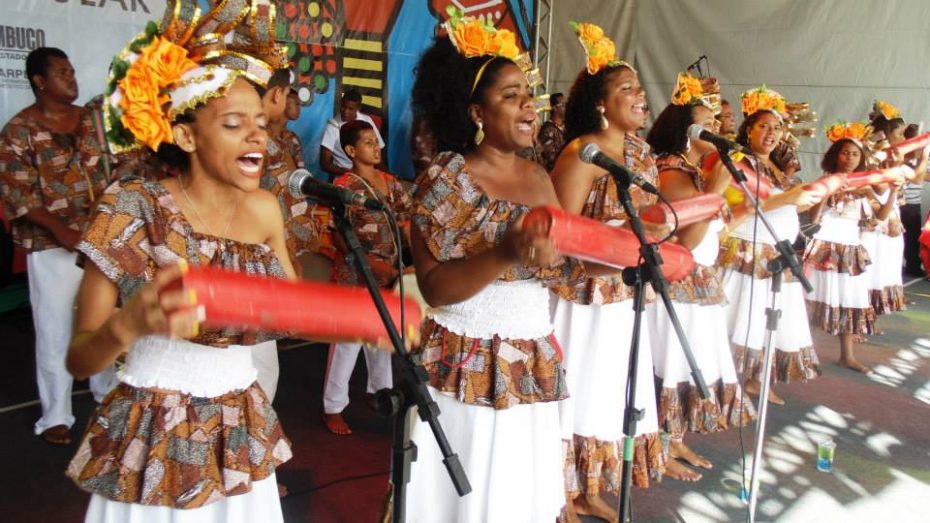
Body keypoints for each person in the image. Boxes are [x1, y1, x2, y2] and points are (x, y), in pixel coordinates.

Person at [64, 2, 294, 520]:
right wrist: (128, 324)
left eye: (260, 122)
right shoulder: (132, 207)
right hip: (153, 427)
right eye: (235, 124)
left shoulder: (264, 208)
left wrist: (365, 316)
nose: (258, 135)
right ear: (186, 136)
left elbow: (290, 313)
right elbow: (80, 359)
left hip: (240, 423)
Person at [403, 12, 586, 521]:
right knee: (466, 496)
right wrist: (505, 252)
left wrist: (622, 257)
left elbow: (560, 267)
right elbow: (436, 288)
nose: (529, 104)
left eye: (528, 93)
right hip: (470, 361)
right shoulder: (445, 178)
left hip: (532, 356)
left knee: (515, 494)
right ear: (476, 112)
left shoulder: (538, 176)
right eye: (510, 95)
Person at [548, 23, 664, 521]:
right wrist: (607, 242)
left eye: (639, 88)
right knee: (577, 390)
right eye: (627, 89)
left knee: (609, 392)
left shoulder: (641, 154)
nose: (640, 96)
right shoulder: (580, 153)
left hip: (625, 294)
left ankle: (591, 489)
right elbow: (559, 233)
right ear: (601, 103)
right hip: (583, 296)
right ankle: (560, 494)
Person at [0, 46, 116, 446]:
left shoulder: (92, 121)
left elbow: (117, 169)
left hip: (100, 242)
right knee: (54, 329)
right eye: (62, 72)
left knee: (102, 321)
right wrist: (62, 231)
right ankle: (56, 416)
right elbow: (18, 195)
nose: (72, 77)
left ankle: (107, 397)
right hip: (51, 246)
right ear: (39, 81)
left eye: (71, 70)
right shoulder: (18, 131)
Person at [644, 73, 755, 482]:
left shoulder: (693, 170)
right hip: (678, 281)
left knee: (691, 365)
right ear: (687, 131)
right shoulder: (672, 172)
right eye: (708, 122)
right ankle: (659, 447)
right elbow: (686, 240)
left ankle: (676, 438)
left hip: (699, 282)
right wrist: (718, 184)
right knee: (671, 366)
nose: (719, 128)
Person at [715, 86, 822, 406]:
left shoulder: (777, 165)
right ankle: (730, 383)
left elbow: (790, 206)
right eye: (764, 126)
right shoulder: (738, 161)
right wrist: (790, 196)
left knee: (768, 320)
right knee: (740, 322)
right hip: (749, 250)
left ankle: (755, 380)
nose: (771, 133)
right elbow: (744, 204)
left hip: (779, 253)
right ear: (748, 129)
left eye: (777, 128)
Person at [321, 119, 411, 435]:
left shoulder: (391, 183)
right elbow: (338, 237)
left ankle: (380, 393)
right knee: (347, 344)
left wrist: (408, 262)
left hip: (389, 276)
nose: (376, 147)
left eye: (376, 141)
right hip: (355, 277)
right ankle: (333, 408)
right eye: (368, 142)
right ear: (350, 150)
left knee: (382, 337)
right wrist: (370, 264)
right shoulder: (344, 187)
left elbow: (406, 223)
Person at [863, 107, 908, 315]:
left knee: (886, 266)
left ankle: (871, 316)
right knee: (873, 268)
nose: (903, 137)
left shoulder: (894, 156)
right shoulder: (878, 154)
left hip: (890, 214)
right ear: (887, 133)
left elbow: (917, 177)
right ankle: (862, 317)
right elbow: (879, 187)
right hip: (875, 217)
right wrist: (896, 169)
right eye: (899, 133)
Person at [320, 89, 385, 181]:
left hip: (368, 176)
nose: (345, 111)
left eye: (350, 109)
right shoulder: (332, 127)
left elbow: (378, 149)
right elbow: (325, 164)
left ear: (358, 108)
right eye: (343, 107)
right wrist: (351, 173)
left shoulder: (366, 120)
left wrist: (385, 173)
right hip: (345, 178)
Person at [901, 123, 928, 277]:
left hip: (913, 202)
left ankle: (913, 266)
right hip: (899, 203)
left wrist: (919, 169)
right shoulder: (901, 154)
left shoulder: (923, 157)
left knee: (912, 237)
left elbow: (926, 176)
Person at [535, 92, 566, 172]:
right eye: (563, 105)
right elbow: (550, 158)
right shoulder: (547, 130)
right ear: (555, 108)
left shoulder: (567, 127)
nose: (567, 107)